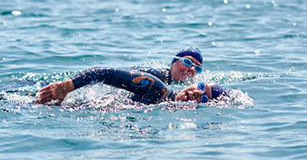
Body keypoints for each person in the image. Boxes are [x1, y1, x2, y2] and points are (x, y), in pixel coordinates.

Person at [36, 47, 227, 105]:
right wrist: (67, 86)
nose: (195, 94)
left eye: (203, 98)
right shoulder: (155, 84)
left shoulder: (167, 104)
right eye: (201, 88)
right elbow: (105, 72)